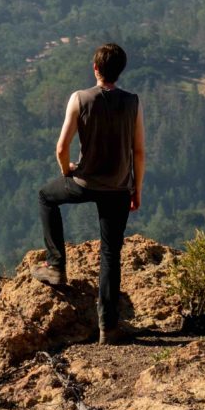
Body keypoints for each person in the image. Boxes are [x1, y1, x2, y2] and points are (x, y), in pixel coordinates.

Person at [35, 42, 145, 344]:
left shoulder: (80, 99)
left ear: (95, 68)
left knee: (46, 197)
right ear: (119, 71)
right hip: (120, 187)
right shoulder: (133, 102)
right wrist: (136, 189)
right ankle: (108, 328)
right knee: (111, 254)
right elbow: (139, 152)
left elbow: (61, 147)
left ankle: (56, 265)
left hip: (84, 181)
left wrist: (67, 171)